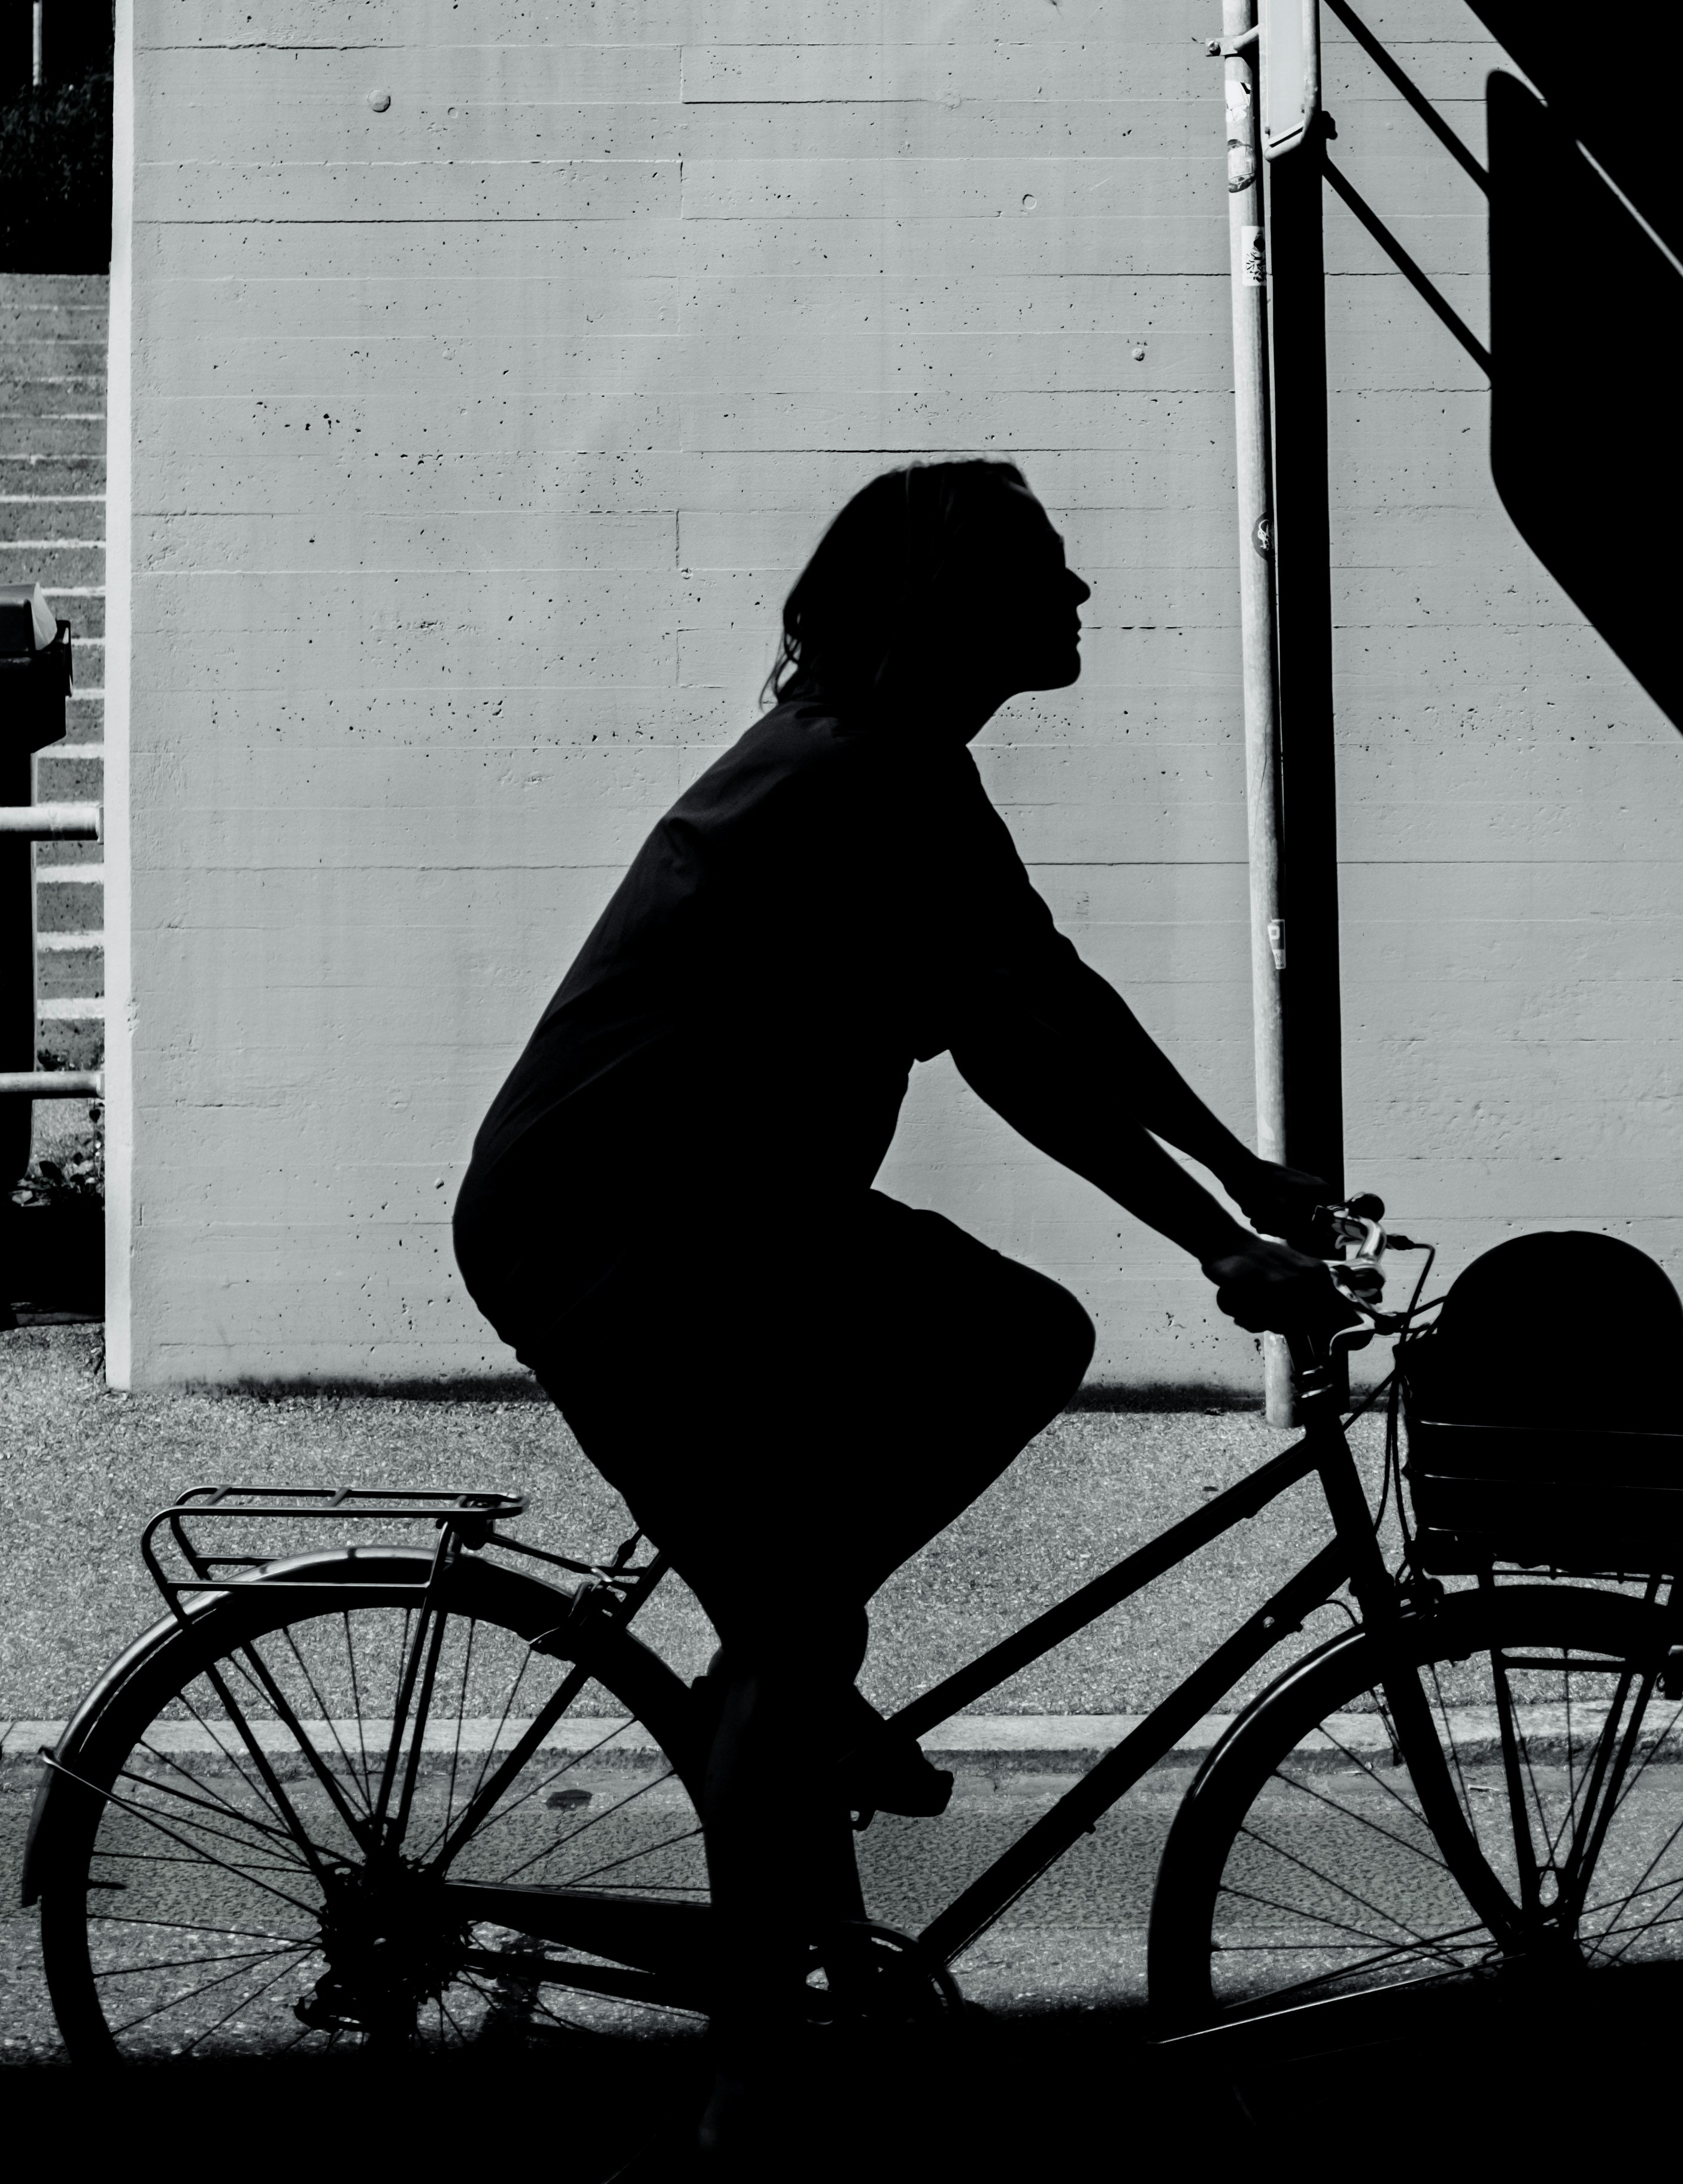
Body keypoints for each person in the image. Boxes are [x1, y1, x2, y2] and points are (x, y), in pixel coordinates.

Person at [453, 459, 1342, 2162]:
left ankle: (786, 1693)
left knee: (984, 1370)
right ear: (958, 610)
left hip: (741, 1214)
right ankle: (750, 2066)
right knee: (810, 1615)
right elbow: (1011, 1051)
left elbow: (1043, 991)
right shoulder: (852, 783)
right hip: (612, 1223)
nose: (1083, 600)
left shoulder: (915, 772)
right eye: (1052, 575)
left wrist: (1248, 1180)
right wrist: (1217, 1239)